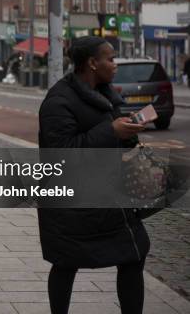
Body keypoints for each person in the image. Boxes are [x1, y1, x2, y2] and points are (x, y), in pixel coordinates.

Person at [38, 36, 148, 314]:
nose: (115, 64)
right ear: (91, 63)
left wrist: (127, 135)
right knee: (65, 263)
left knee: (134, 256)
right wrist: (111, 131)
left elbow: (109, 139)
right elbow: (62, 154)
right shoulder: (58, 101)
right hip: (73, 204)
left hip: (108, 198)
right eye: (110, 59)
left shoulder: (105, 93)